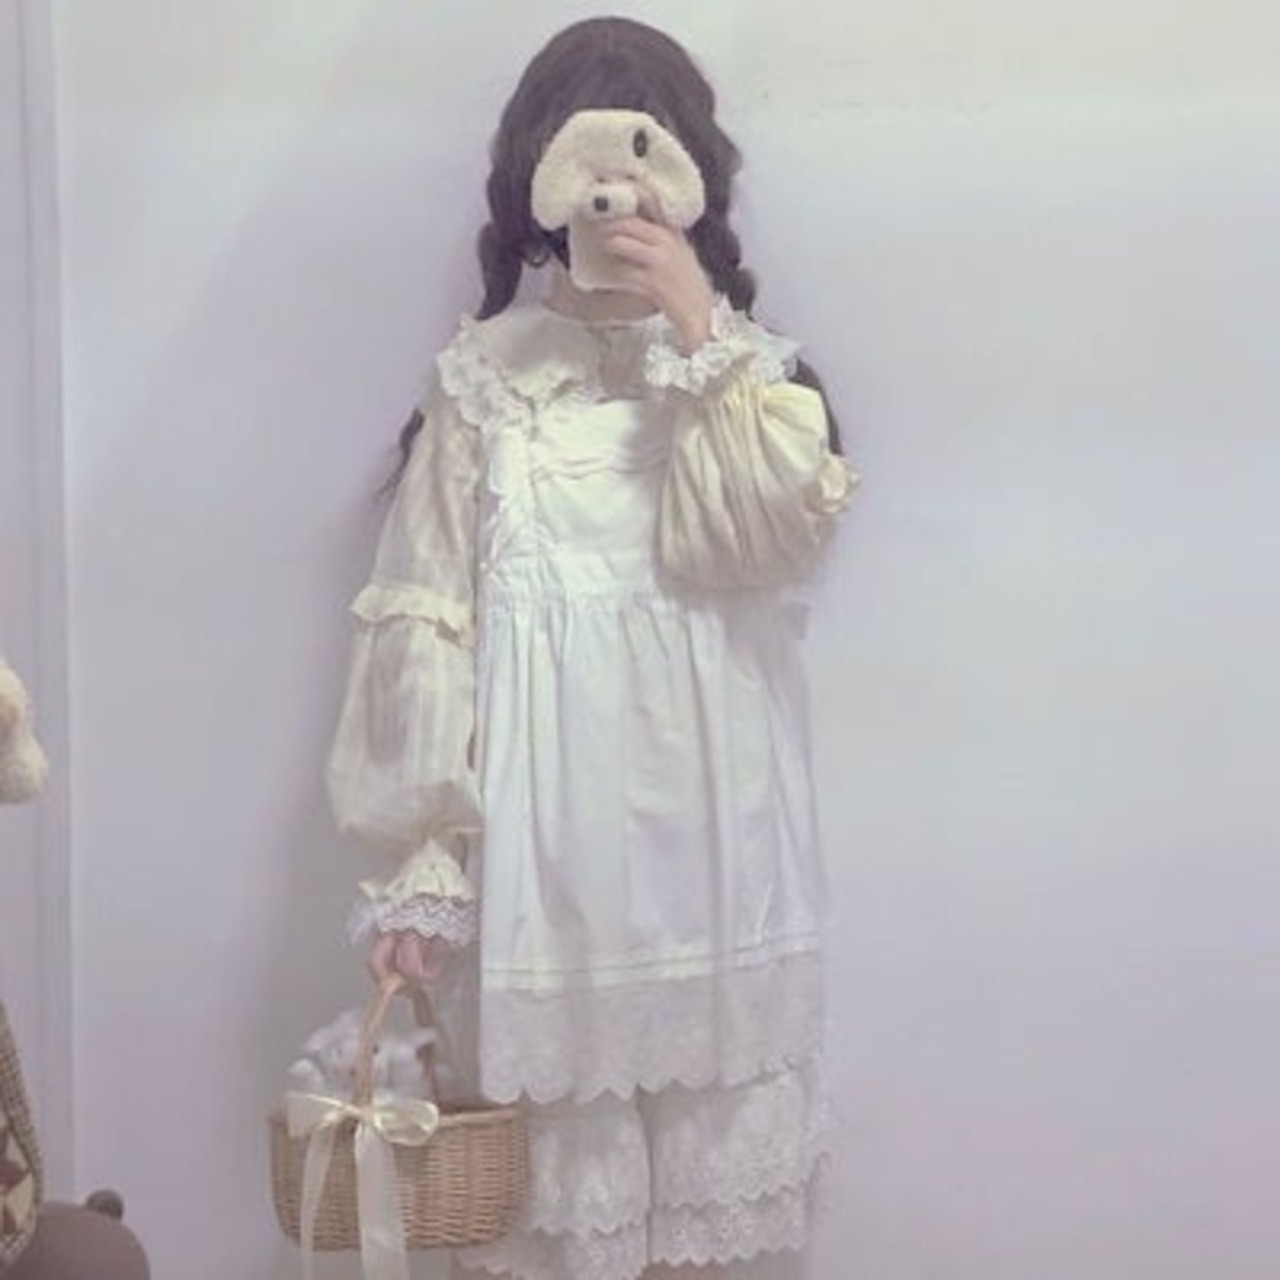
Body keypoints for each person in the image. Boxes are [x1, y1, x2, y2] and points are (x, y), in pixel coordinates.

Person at [326, 17, 857, 1280]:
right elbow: (424, 624)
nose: (617, 199)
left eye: (645, 166)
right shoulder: (484, 383)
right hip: (547, 865)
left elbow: (759, 541)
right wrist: (421, 861)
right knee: (548, 1221)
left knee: (707, 1238)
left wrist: (694, 323)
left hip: (718, 853)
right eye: (589, 171)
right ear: (541, 185)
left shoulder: (748, 380)